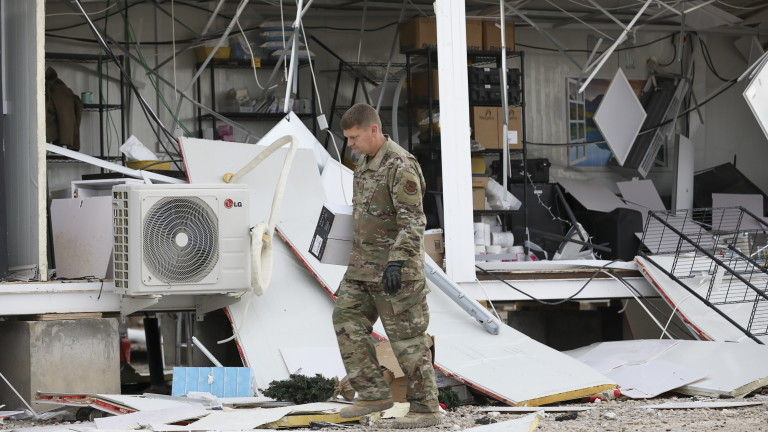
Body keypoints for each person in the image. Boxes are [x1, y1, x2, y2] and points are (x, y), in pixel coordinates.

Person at [332, 103, 440, 429]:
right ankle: (373, 392)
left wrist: (396, 262)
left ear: (374, 130)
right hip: (362, 268)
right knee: (346, 318)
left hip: (397, 271)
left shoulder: (400, 166)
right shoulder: (364, 163)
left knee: (406, 340)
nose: (350, 144)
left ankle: (426, 408)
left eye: (354, 137)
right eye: (347, 138)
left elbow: (413, 222)